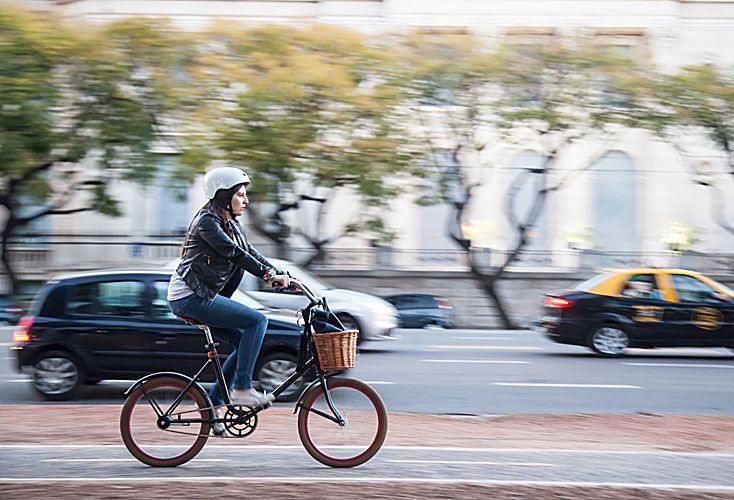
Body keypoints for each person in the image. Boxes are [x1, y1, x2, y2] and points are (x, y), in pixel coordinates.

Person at [167, 166, 290, 435]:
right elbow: (235, 254)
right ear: (224, 196)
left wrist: (280, 273)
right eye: (241, 195)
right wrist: (269, 275)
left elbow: (250, 251)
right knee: (258, 320)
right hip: (190, 296)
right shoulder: (207, 223)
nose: (246, 201)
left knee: (241, 341)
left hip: (200, 295)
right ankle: (242, 388)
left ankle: (212, 404)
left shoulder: (232, 223)